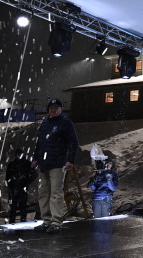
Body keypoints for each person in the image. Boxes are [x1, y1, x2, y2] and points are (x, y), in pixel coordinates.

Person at [32, 98, 79, 234]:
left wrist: (70, 160)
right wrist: (35, 158)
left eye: (56, 108)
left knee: (56, 193)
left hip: (57, 164)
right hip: (43, 164)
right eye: (51, 108)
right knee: (43, 193)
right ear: (48, 109)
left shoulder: (66, 123)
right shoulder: (45, 123)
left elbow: (73, 142)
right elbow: (40, 143)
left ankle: (56, 221)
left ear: (61, 109)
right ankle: (46, 220)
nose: (53, 110)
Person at [6, 148, 36, 223]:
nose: (18, 156)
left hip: (23, 186)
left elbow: (34, 173)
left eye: (20, 154)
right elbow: (7, 176)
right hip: (14, 187)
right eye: (17, 154)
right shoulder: (12, 164)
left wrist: (27, 181)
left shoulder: (27, 163)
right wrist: (11, 183)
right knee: (13, 205)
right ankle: (12, 220)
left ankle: (23, 220)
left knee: (23, 205)